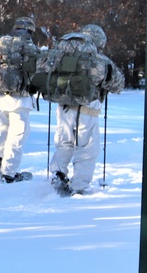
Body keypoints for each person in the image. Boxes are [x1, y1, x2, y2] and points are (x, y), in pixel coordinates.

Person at [49, 24, 125, 196]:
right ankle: (79, 186)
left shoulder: (63, 55)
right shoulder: (98, 60)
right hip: (87, 109)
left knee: (64, 142)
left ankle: (58, 173)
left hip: (63, 106)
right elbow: (117, 83)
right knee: (87, 147)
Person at [0, 16, 40, 183]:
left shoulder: (1, 41)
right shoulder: (28, 45)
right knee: (18, 134)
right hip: (19, 98)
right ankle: (9, 173)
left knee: (4, 128)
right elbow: (38, 66)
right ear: (29, 30)